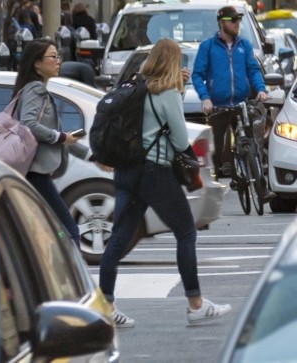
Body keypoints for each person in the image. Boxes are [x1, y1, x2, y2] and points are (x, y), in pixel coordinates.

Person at [99, 39, 232, 329]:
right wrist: (178, 93)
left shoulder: (136, 88)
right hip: (154, 173)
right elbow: (180, 140)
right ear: (173, 63)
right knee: (186, 233)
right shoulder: (168, 92)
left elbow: (155, 121)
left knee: (119, 238)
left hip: (126, 170)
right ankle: (195, 305)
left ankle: (106, 305)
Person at [13, 39, 89, 245]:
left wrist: (91, 156)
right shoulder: (35, 89)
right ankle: (68, 275)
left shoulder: (35, 90)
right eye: (53, 57)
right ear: (37, 64)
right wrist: (61, 137)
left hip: (36, 173)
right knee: (69, 231)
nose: (58, 62)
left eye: (58, 57)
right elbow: (28, 123)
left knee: (43, 233)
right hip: (35, 173)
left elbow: (58, 136)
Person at [191, 6, 268, 177]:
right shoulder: (208, 47)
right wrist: (205, 98)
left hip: (241, 104)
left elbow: (253, 70)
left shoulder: (244, 45)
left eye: (238, 20)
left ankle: (257, 184)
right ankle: (214, 178)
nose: (237, 24)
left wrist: (261, 90)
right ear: (221, 23)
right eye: (233, 20)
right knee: (215, 151)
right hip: (218, 106)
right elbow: (197, 75)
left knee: (251, 144)